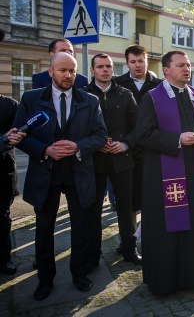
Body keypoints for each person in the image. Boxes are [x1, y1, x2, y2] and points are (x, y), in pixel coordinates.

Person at [14, 52, 107, 300]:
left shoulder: (89, 100)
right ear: (51, 73)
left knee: (81, 228)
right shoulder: (31, 99)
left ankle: (79, 274)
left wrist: (78, 146)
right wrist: (44, 149)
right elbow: (20, 136)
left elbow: (100, 136)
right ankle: (45, 279)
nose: (68, 75)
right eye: (63, 70)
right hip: (46, 174)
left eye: (72, 71)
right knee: (44, 229)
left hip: (78, 173)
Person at [136, 51, 194, 294]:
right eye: (181, 65)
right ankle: (168, 281)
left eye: (188, 65)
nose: (187, 69)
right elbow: (143, 134)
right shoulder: (152, 98)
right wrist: (177, 139)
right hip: (166, 175)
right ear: (166, 70)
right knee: (171, 226)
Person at [84, 53, 140, 268]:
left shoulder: (125, 94)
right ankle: (92, 255)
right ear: (92, 70)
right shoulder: (83, 94)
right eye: (100, 66)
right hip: (94, 160)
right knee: (93, 210)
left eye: (108, 66)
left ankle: (129, 250)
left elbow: (137, 127)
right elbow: (79, 128)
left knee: (126, 209)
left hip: (122, 158)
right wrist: (95, 143)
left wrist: (126, 143)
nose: (105, 70)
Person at [114, 44, 161, 215]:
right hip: (127, 148)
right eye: (133, 62)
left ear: (147, 61)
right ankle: (130, 237)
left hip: (153, 148)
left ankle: (151, 234)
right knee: (128, 199)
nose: (137, 65)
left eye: (141, 61)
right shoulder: (117, 84)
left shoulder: (160, 85)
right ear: (127, 63)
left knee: (153, 195)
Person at [0, 96, 25, 275]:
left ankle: (4, 258)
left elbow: (24, 133)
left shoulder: (10, 105)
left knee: (2, 218)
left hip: (3, 172)